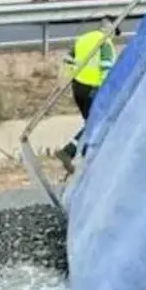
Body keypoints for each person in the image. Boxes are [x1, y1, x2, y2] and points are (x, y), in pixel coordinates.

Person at [56, 16, 120, 173]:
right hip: (93, 89)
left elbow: (68, 59)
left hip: (77, 86)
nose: (113, 37)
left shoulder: (84, 38)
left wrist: (78, 74)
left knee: (90, 124)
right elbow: (106, 71)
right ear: (110, 29)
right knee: (95, 124)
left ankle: (85, 157)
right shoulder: (105, 43)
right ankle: (69, 152)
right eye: (114, 33)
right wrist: (108, 92)